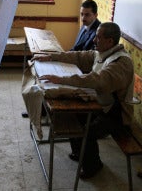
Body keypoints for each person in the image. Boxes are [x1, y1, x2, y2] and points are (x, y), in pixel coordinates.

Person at [33, 22, 134, 179]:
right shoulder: (103, 52)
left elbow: (98, 80)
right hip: (102, 104)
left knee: (87, 130)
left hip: (117, 114)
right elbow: (78, 56)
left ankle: (93, 166)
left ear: (110, 41)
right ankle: (78, 152)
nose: (94, 40)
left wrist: (62, 79)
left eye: (98, 37)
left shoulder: (121, 62)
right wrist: (51, 57)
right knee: (75, 114)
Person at [21, 0, 101, 118]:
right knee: (43, 71)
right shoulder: (85, 26)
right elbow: (75, 49)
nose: (83, 17)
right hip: (74, 63)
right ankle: (41, 109)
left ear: (95, 15)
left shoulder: (98, 32)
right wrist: (58, 57)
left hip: (82, 70)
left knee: (50, 80)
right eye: (82, 14)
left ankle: (46, 111)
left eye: (87, 14)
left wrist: (63, 59)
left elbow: (87, 58)